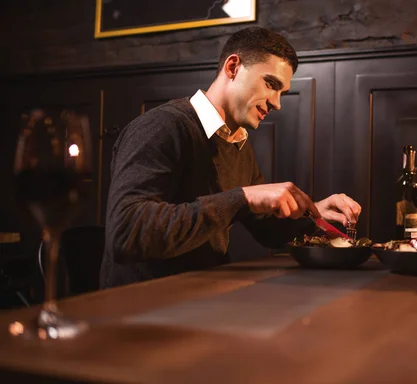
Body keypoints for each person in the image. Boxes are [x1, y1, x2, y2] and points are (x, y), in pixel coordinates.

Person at [100, 27, 361, 289]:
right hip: (143, 309)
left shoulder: (237, 141)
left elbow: (266, 229)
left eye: (282, 92)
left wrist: (314, 214)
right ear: (233, 66)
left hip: (204, 300)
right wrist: (242, 197)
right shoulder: (161, 126)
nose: (277, 103)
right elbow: (127, 232)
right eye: (271, 84)